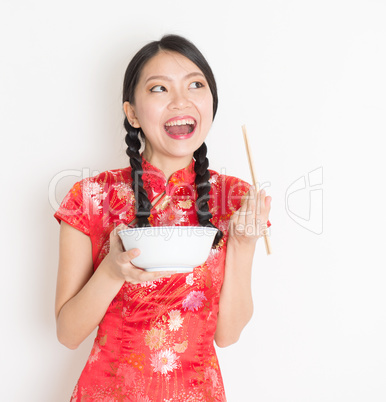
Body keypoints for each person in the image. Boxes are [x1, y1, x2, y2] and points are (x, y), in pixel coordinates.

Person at [54, 34, 272, 401]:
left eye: (196, 85)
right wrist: (111, 270)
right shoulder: (90, 197)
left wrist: (243, 242)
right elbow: (68, 333)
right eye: (159, 89)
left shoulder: (234, 198)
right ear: (132, 113)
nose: (181, 101)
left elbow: (228, 333)